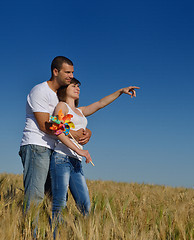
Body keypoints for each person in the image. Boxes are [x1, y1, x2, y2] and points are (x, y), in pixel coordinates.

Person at [50, 77, 139, 234]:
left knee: (85, 205)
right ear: (65, 88)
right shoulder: (61, 106)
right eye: (74, 85)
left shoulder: (80, 111)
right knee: (60, 203)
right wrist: (79, 150)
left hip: (76, 162)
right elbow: (57, 130)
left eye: (79, 86)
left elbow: (100, 103)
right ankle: (55, 236)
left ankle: (83, 234)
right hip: (61, 158)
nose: (77, 88)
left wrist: (120, 92)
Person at [19, 56, 92, 213]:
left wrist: (86, 132)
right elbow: (44, 124)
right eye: (67, 72)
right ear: (55, 71)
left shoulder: (58, 95)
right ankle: (31, 234)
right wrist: (74, 134)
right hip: (37, 146)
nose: (71, 76)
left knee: (55, 197)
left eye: (72, 72)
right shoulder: (40, 90)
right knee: (35, 196)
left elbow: (70, 120)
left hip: (54, 149)